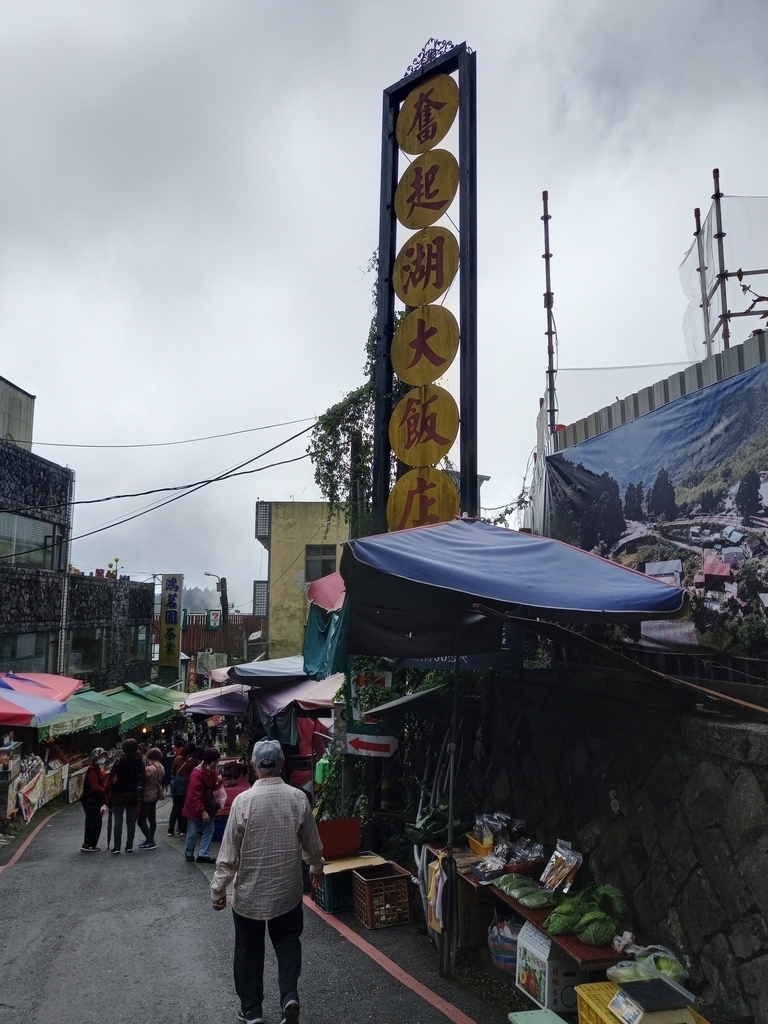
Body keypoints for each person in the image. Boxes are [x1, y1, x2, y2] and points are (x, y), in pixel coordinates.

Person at [211, 739, 324, 1024]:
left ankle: (251, 1010)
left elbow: (228, 854)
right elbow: (313, 845)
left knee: (248, 949)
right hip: (287, 891)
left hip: (249, 894)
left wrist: (218, 889)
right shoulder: (297, 798)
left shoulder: (242, 802)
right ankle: (289, 996)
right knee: (287, 942)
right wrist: (316, 869)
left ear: (253, 765)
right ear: (282, 763)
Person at [182, 747, 221, 864]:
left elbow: (212, 788)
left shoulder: (212, 771)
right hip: (195, 807)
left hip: (207, 805)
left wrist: (219, 783)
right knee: (193, 832)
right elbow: (194, 795)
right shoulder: (197, 773)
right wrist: (202, 811)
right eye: (215, 762)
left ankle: (203, 854)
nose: (217, 764)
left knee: (209, 830)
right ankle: (189, 853)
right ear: (209, 761)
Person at [108, 737, 146, 854]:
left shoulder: (119, 761)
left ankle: (117, 846)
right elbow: (143, 778)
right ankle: (129, 845)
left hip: (118, 794)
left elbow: (111, 776)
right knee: (131, 820)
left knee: (118, 820)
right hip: (133, 794)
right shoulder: (139, 760)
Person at [80, 747, 107, 852]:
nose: (103, 758)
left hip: (93, 800)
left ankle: (88, 844)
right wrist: (105, 791)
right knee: (95, 822)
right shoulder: (93, 770)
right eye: (102, 756)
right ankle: (90, 844)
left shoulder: (97, 769)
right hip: (90, 800)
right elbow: (94, 786)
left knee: (91, 821)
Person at [168, 741, 198, 836]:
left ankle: (171, 829)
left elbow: (172, 772)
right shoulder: (194, 761)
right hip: (187, 785)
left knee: (175, 807)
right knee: (185, 807)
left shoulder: (177, 759)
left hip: (177, 784)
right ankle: (182, 829)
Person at [137, 747, 164, 850]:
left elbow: (141, 779)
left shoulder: (149, 769)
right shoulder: (161, 767)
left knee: (141, 821)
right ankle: (150, 838)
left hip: (146, 796)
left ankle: (150, 840)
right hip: (155, 795)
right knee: (152, 818)